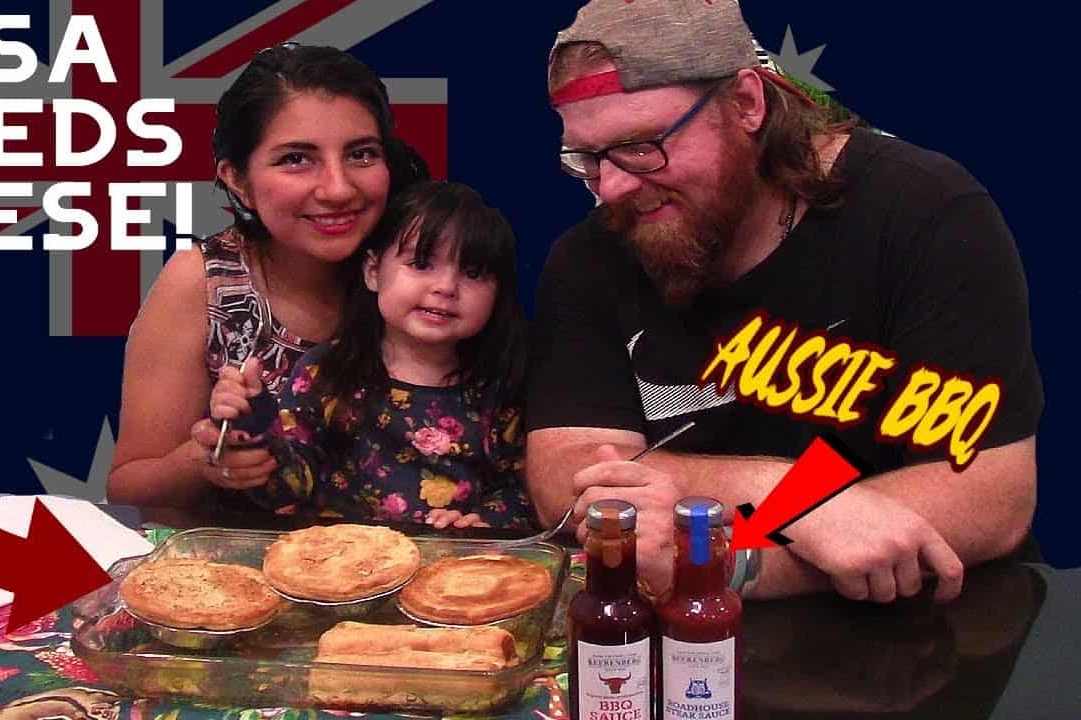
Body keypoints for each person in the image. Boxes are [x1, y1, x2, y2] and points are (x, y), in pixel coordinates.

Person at [526, 0, 1042, 603]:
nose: (610, 186)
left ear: (747, 102)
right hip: (680, 640)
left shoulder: (922, 212)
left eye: (641, 146)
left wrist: (733, 559)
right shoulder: (590, 255)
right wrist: (786, 494)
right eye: (587, 158)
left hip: (918, 638)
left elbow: (990, 493)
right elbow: (568, 477)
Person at [107, 44, 428, 508]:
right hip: (244, 571)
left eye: (361, 154)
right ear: (238, 179)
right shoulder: (204, 281)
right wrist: (202, 462)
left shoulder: (432, 265)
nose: (338, 189)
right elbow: (127, 485)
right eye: (297, 158)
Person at [212, 180, 534, 528]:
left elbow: (521, 493)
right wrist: (253, 419)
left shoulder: (502, 386)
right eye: (422, 263)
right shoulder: (325, 373)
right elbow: (284, 491)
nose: (446, 287)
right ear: (373, 271)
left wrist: (480, 523)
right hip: (335, 567)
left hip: (450, 571)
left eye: (472, 273)